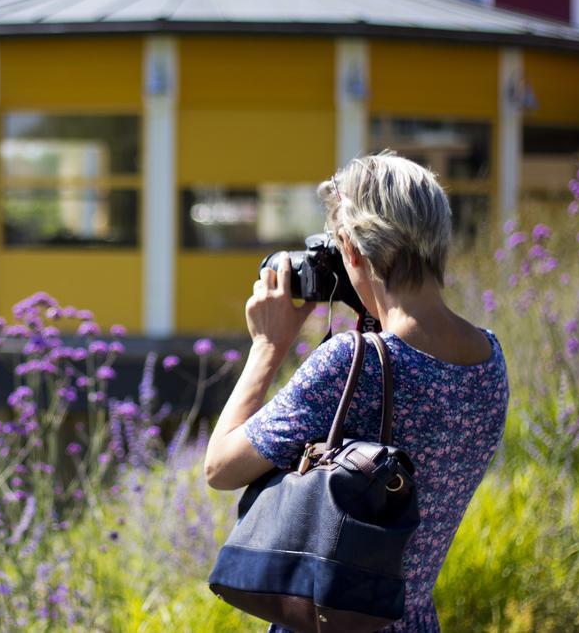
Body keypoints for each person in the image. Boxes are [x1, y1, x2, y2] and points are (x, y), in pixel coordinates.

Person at [203, 152, 509, 632]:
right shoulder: (489, 359)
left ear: (350, 249)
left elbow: (220, 468)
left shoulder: (350, 361)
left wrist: (267, 347)